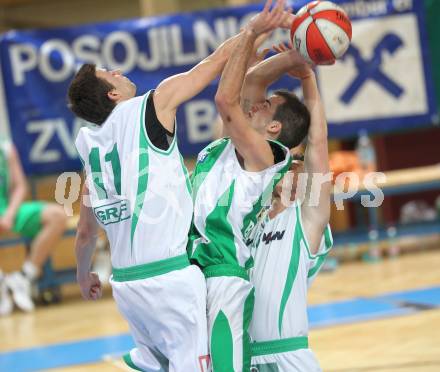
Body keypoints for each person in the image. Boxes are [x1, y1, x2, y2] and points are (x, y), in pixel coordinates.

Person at [68, 31, 243, 371]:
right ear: (113, 93)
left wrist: (82, 273)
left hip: (127, 289)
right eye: (110, 73)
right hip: (169, 280)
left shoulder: (90, 145)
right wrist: (255, 30)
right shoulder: (152, 105)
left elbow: (86, 233)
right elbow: (215, 62)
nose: (118, 71)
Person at [188, 1, 304, 370]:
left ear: (273, 129)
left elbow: (226, 99)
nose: (256, 104)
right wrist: (293, 57)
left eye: (266, 106)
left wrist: (253, 31)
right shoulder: (229, 146)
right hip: (192, 276)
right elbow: (251, 82)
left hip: (223, 277)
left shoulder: (263, 156)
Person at [248, 44, 333, 372]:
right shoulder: (247, 218)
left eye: (298, 164)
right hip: (242, 358)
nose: (294, 168)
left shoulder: (306, 221)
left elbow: (319, 143)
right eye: (289, 163)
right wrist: (253, 75)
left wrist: (309, 78)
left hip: (288, 357)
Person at [0, 138, 67, 315]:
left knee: (57, 216)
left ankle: (23, 277)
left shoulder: (5, 148)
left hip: (6, 209)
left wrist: (9, 214)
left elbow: (20, 186)